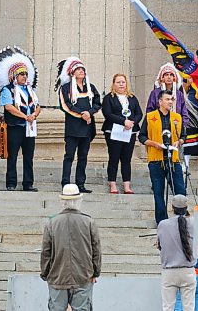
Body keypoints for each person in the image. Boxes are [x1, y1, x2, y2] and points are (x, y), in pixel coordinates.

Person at [40, 184, 102, 311]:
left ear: (62, 201)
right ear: (79, 200)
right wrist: (95, 271)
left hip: (58, 276)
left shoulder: (52, 223)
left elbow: (46, 252)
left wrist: (45, 272)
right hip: (83, 276)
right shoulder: (89, 222)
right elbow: (96, 250)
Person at [0, 46, 41, 192]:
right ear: (14, 76)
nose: (24, 76)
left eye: (26, 74)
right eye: (21, 74)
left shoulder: (31, 90)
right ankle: (11, 183)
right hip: (15, 126)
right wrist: (26, 116)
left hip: (29, 128)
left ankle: (28, 183)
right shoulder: (8, 89)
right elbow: (8, 107)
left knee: (28, 157)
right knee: (12, 156)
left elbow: (38, 105)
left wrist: (34, 115)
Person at [138, 90, 187, 224]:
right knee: (158, 192)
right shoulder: (150, 117)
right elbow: (141, 137)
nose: (170, 102)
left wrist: (179, 141)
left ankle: (182, 218)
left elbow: (183, 136)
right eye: (167, 99)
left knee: (180, 189)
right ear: (160, 102)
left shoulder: (177, 117)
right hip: (156, 159)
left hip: (173, 158)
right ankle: (161, 221)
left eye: (171, 99)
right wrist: (154, 144)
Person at [56, 57, 102, 194]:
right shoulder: (65, 88)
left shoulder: (91, 87)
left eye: (83, 69)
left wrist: (90, 112)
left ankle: (80, 183)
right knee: (69, 156)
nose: (81, 71)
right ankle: (65, 183)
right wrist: (83, 114)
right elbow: (65, 105)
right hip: (73, 127)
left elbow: (98, 103)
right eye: (78, 69)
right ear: (72, 73)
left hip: (87, 127)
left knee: (83, 156)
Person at [101, 74, 143, 194]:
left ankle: (126, 186)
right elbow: (107, 114)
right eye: (118, 82)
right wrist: (123, 121)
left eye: (123, 82)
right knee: (114, 157)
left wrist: (132, 122)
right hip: (114, 131)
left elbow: (138, 113)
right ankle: (113, 184)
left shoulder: (132, 98)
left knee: (126, 159)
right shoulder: (109, 98)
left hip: (129, 132)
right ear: (113, 84)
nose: (121, 84)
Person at [157, 195, 196, 311]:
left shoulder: (163, 224)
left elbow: (160, 245)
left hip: (169, 271)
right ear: (186, 207)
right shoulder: (194, 223)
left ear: (172, 207)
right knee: (189, 307)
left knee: (167, 307)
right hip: (188, 270)